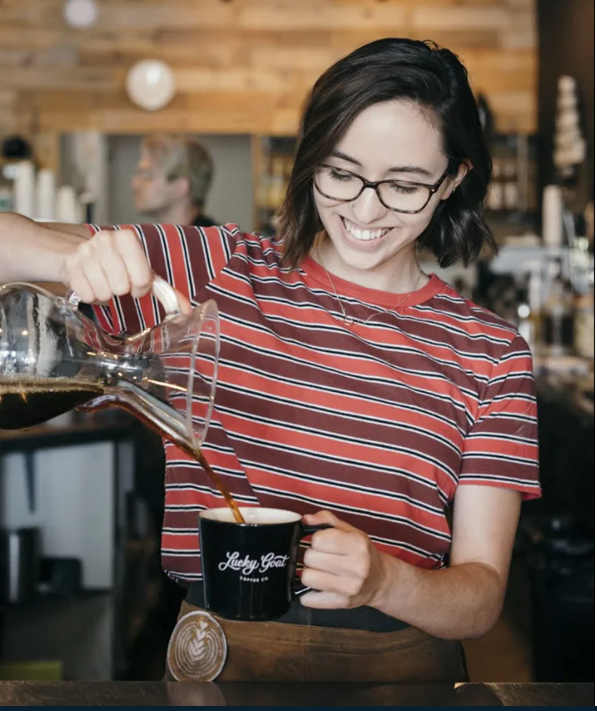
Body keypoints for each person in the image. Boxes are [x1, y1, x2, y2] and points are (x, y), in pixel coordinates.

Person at [0, 38, 540, 682]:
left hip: (400, 679)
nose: (364, 210)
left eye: (404, 186)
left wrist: (387, 582)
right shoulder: (216, 271)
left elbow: (480, 596)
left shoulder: (490, 351)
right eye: (341, 173)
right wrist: (69, 258)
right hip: (219, 664)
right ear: (312, 159)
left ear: (453, 179)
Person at [131, 133, 217, 227]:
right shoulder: (158, 239)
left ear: (181, 186)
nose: (135, 184)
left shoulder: (215, 240)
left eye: (148, 175)